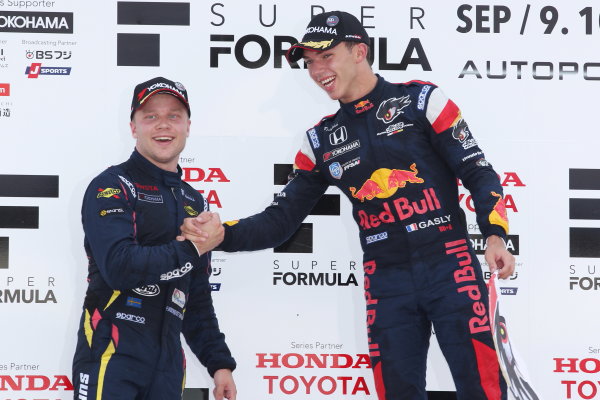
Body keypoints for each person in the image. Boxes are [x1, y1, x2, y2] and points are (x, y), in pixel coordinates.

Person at [182, 11, 515, 400]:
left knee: (484, 389)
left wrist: (495, 235)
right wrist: (222, 235)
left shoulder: (423, 99)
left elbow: (478, 171)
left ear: (359, 51)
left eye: (326, 56)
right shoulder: (320, 141)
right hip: (386, 281)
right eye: (309, 61)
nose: (316, 69)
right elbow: (280, 221)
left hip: (450, 267)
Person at [72, 77, 237, 400]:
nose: (164, 125)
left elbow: (196, 296)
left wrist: (219, 365)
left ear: (188, 126)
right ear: (133, 127)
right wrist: (191, 247)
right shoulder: (113, 185)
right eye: (151, 116)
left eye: (174, 116)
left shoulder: (194, 202)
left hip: (168, 364)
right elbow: (120, 267)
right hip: (113, 351)